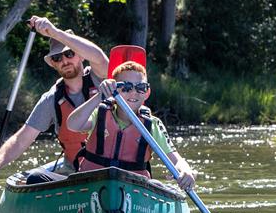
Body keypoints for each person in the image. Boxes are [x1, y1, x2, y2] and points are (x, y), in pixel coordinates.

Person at [0, 16, 108, 193]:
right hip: (75, 171)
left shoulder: (100, 78)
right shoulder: (51, 99)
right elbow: (21, 139)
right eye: (57, 58)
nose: (64, 61)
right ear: (53, 64)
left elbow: (99, 57)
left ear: (80, 57)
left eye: (69, 54)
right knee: (34, 179)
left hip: (110, 167)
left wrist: (54, 33)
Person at [67, 60, 196, 191]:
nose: (133, 92)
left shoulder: (152, 124)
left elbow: (175, 159)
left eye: (140, 87)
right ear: (114, 90)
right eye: (126, 87)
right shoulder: (100, 114)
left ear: (147, 92)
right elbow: (72, 125)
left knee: (159, 185)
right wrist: (100, 96)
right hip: (91, 184)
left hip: (133, 189)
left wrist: (186, 171)